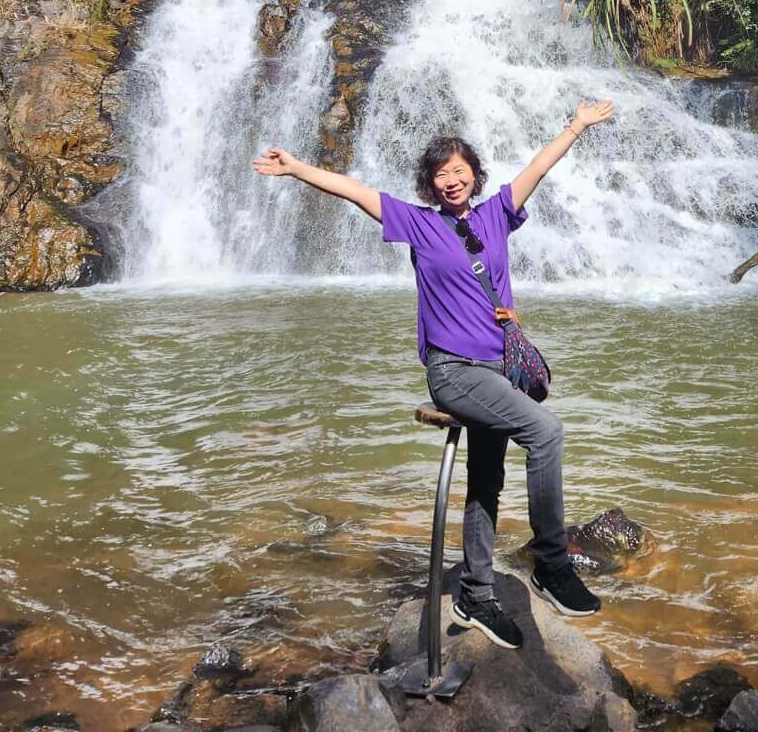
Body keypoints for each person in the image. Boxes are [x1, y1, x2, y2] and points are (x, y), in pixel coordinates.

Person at [252, 97, 615, 652]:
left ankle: (474, 593)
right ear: (430, 183)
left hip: (498, 372)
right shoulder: (418, 225)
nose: (452, 179)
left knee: (486, 482)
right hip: (454, 372)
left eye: (459, 170)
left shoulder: (496, 214)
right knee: (547, 431)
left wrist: (576, 126)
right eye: (441, 173)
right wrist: (297, 167)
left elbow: (538, 168)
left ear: (474, 174)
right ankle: (550, 563)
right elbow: (354, 191)